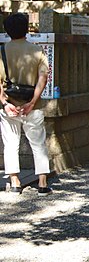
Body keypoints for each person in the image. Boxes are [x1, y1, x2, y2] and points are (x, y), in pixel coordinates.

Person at [0, 13, 52, 195]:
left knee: (11, 143)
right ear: (27, 29)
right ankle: (43, 183)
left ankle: (15, 182)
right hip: (33, 106)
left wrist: (4, 103)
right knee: (38, 143)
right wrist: (32, 102)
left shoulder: (2, 51)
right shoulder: (38, 51)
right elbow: (43, 79)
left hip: (9, 105)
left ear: (7, 31)